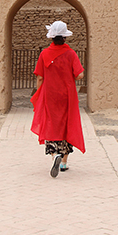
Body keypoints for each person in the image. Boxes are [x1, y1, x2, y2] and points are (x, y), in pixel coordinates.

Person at [30, 20, 85, 178]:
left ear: (51, 38)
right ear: (65, 38)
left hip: (50, 94)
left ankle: (54, 156)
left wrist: (39, 92)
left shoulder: (44, 54)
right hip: (67, 95)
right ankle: (63, 163)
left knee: (51, 123)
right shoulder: (71, 54)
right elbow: (79, 74)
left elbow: (40, 77)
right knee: (66, 123)